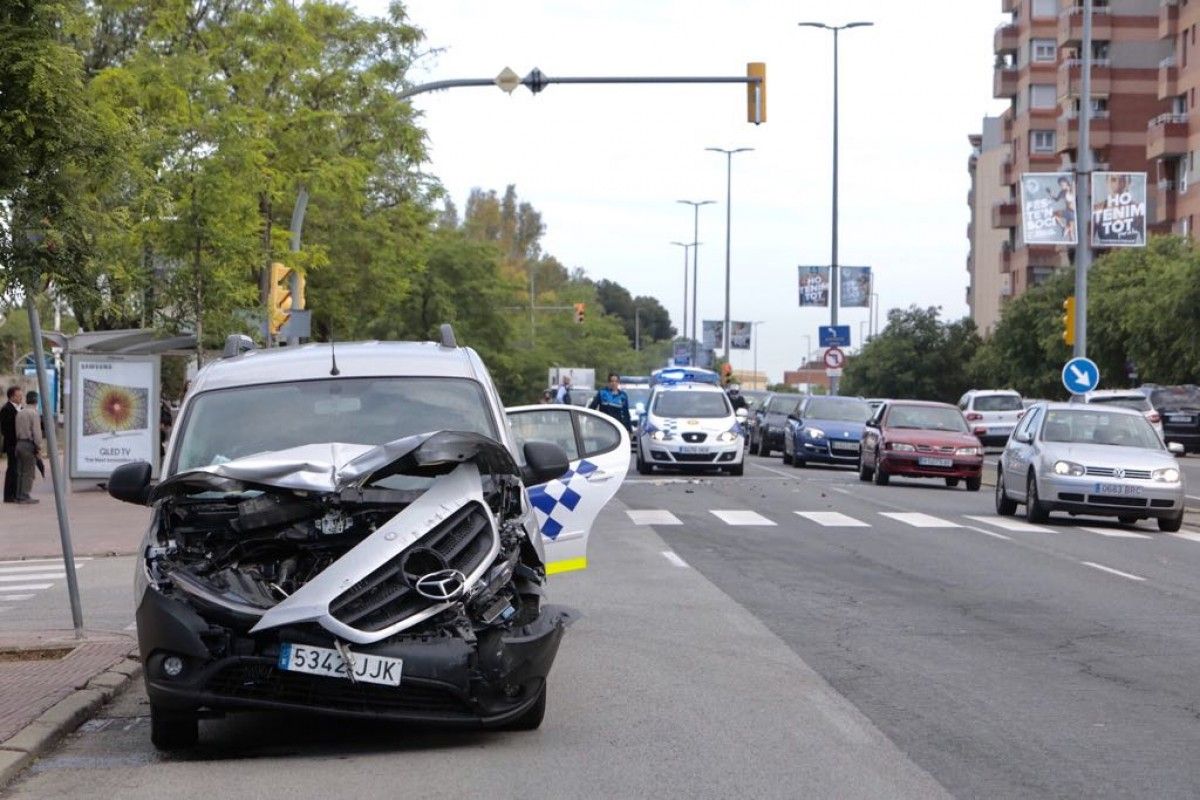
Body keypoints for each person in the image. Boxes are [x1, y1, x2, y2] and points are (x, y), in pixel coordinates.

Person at [13, 389, 42, 504]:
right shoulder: (34, 413)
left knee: (20, 471)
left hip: (19, 444)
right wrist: (38, 446)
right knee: (28, 472)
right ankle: (25, 495)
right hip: (28, 445)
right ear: (36, 401)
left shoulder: (20, 412)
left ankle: (19, 495)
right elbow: (37, 433)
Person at [1, 386, 23, 503]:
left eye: (21, 396)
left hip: (21, 444)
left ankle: (17, 493)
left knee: (18, 470)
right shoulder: (6, 409)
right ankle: (9, 496)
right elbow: (5, 429)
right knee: (12, 469)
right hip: (12, 445)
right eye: (18, 396)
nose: (21, 398)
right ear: (12, 397)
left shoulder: (21, 408)